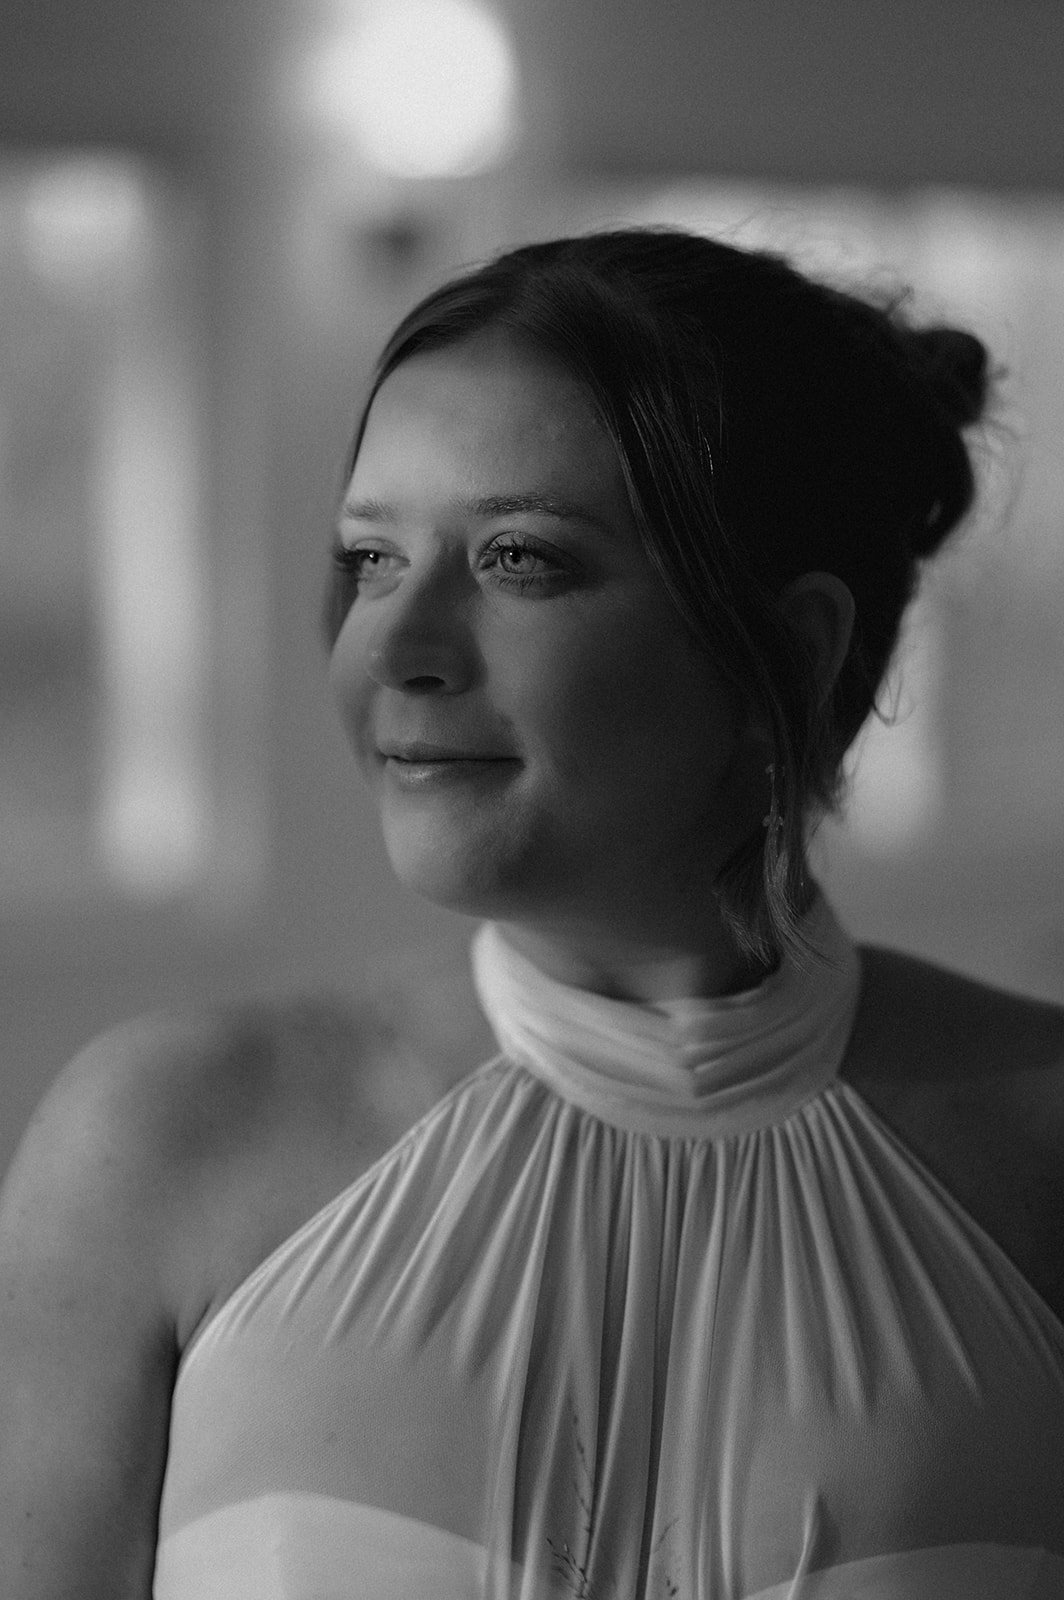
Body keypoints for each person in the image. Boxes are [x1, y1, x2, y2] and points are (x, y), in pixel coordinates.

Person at [2, 227, 1063, 1600]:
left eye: (519, 559)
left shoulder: (1043, 1144)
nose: (396, 646)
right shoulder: (166, 1137)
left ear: (791, 653)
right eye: (372, 560)